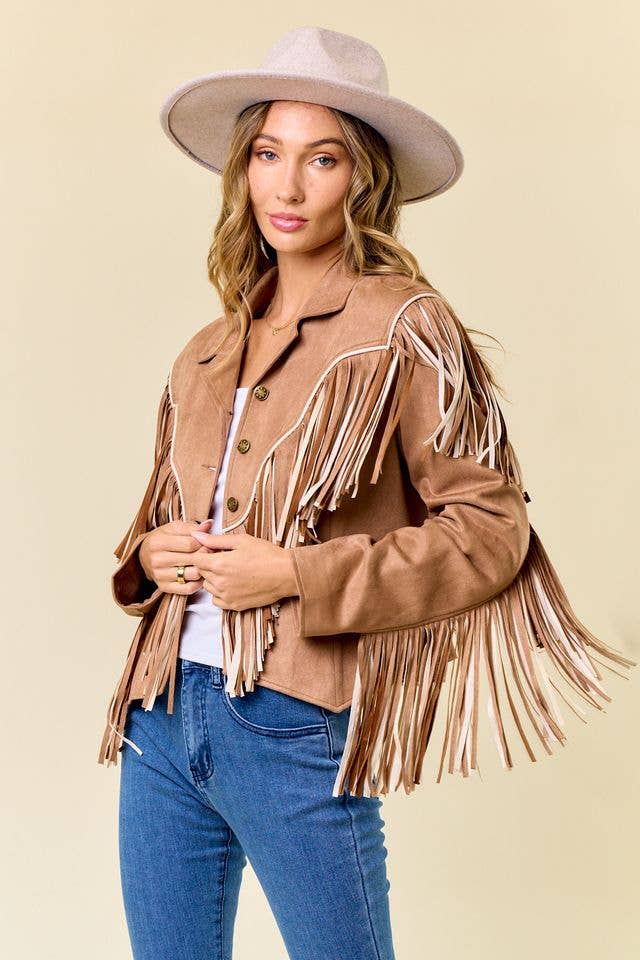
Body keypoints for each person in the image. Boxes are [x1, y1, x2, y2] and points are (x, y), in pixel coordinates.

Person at [98, 26, 636, 960]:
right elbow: (162, 518)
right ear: (243, 169)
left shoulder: (405, 325)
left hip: (287, 717)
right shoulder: (207, 348)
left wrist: (297, 574)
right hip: (159, 716)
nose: (288, 187)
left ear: (363, 178)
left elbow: (489, 532)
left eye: (322, 159)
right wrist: (150, 554)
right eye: (268, 154)